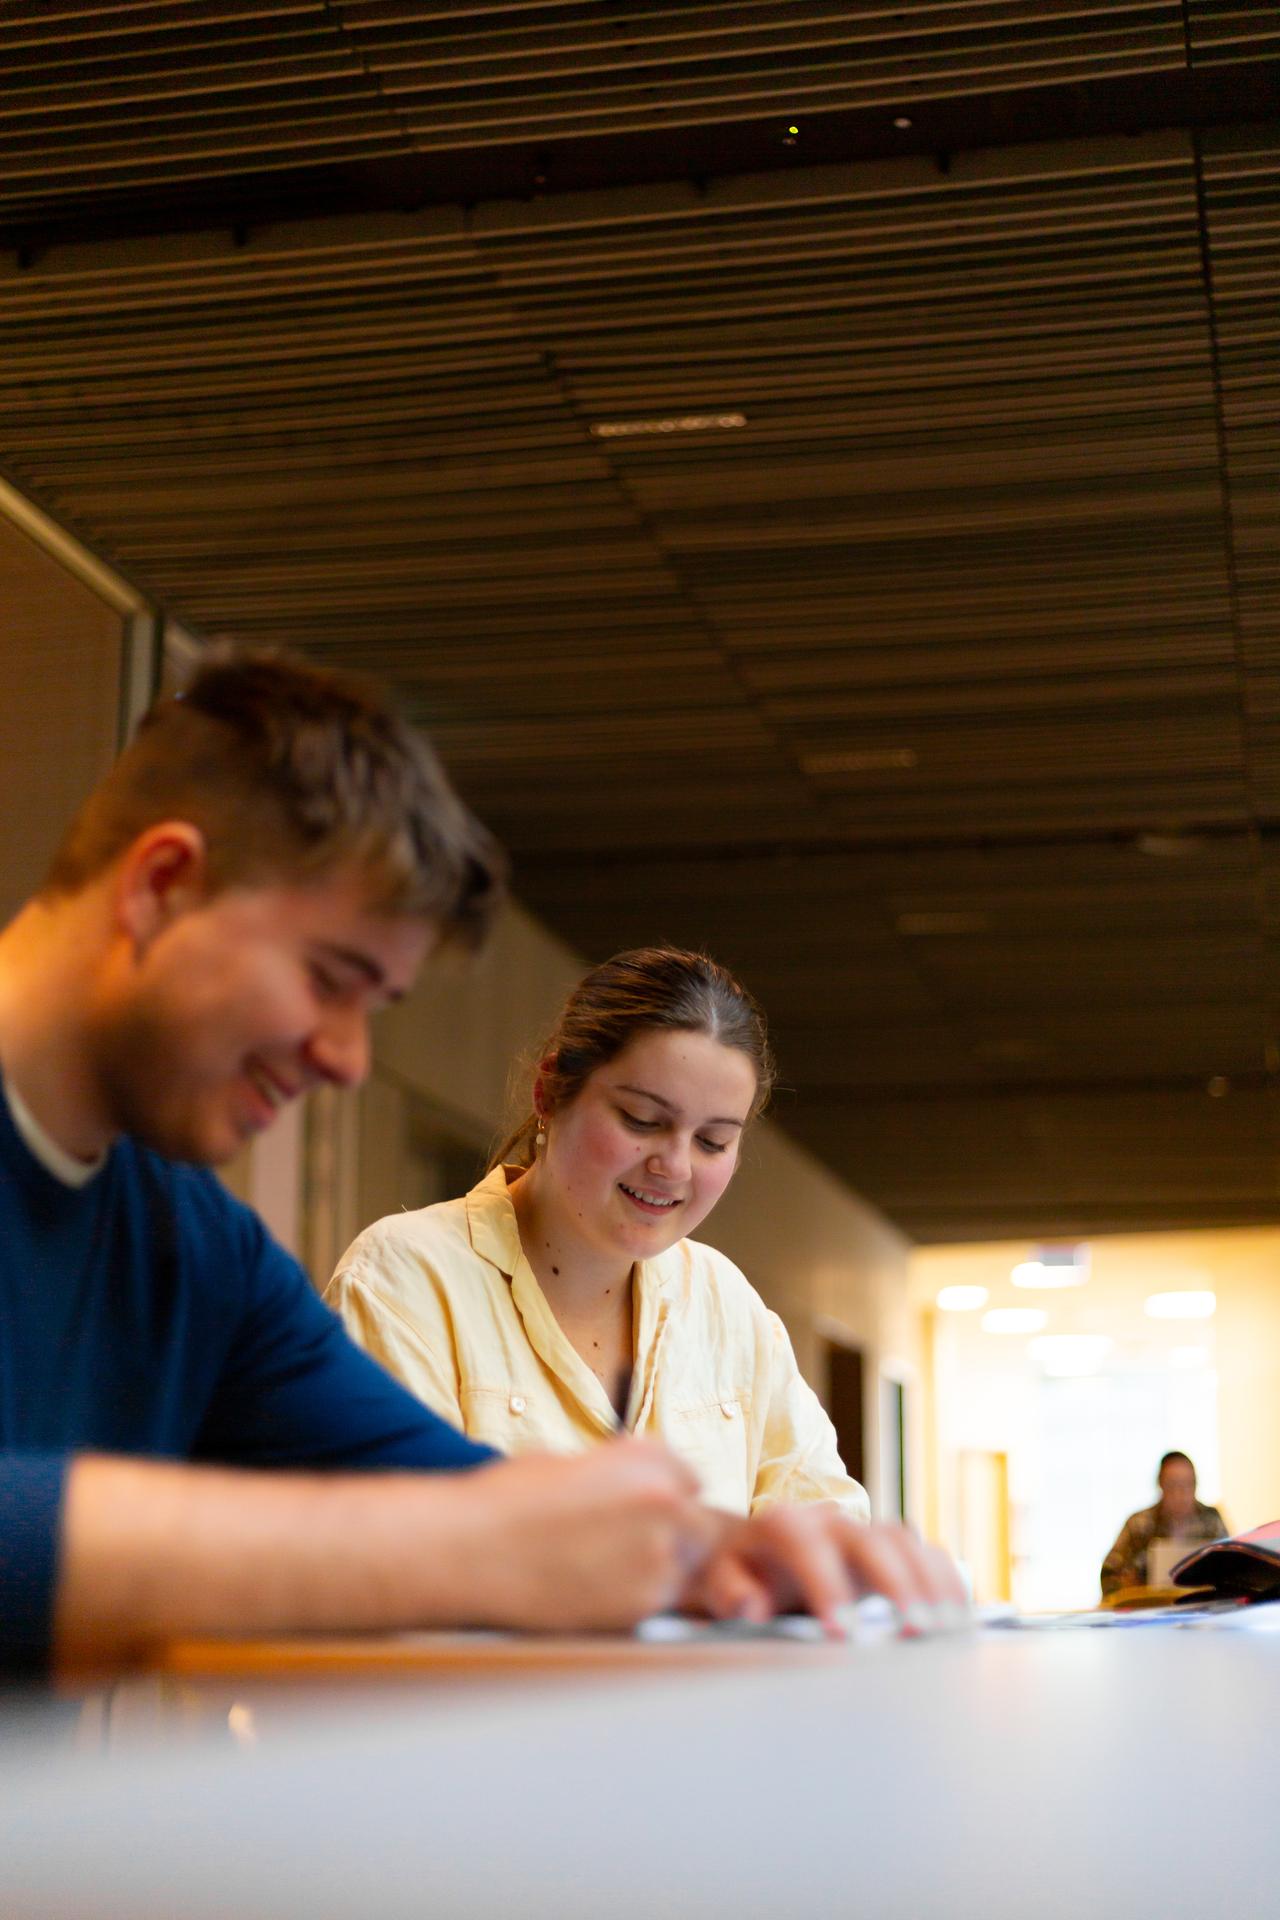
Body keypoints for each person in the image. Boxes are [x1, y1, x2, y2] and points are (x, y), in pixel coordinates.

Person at [0, 649, 963, 1673]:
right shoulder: (357, 1264)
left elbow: (456, 1497)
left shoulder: (197, 1247)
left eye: (374, 1008)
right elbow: (454, 1540)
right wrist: (457, 1551)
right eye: (329, 979)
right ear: (162, 886)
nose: (345, 1058)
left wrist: (717, 1556)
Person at [327, 948, 865, 1519]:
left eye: (713, 1141)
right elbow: (390, 1552)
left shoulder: (724, 1304)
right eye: (642, 1120)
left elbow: (828, 1521)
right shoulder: (406, 1279)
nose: (675, 1166)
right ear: (550, 1093)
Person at [1100, 1452, 1228, 1596]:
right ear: (1160, 1485)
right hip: (1148, 1610)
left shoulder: (1212, 1521)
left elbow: (1232, 1568)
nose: (1180, 1494)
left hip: (1202, 1609)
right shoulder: (1139, 1524)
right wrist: (1130, 1588)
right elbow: (1109, 1573)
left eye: (1188, 1485)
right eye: (1173, 1485)